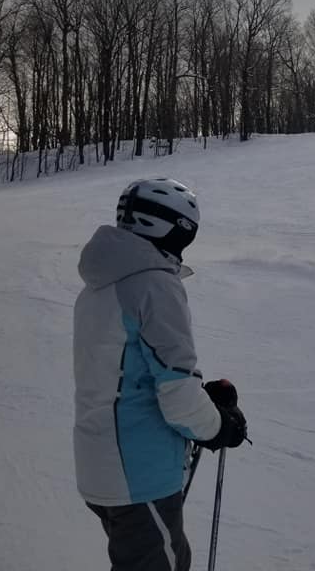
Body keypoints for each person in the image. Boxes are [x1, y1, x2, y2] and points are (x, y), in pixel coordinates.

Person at [73, 178, 248, 571]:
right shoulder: (154, 284)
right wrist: (220, 426)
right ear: (175, 228)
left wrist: (203, 402)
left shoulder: (100, 285)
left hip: (102, 465)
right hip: (138, 475)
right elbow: (177, 397)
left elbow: (129, 374)